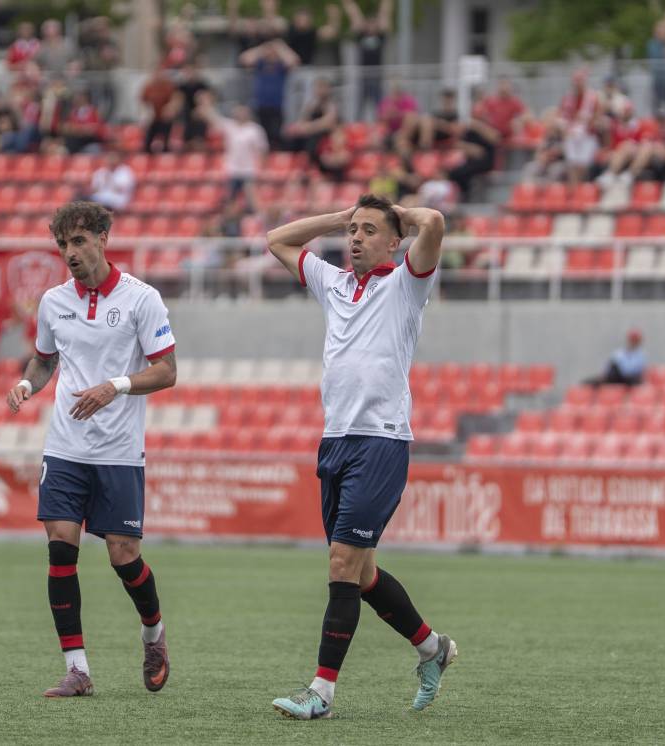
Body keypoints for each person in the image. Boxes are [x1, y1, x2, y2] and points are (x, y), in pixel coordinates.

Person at [264, 194, 456, 719]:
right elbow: (276, 240)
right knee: (362, 573)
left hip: (381, 441)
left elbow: (434, 221)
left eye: (369, 231)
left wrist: (396, 211)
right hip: (335, 441)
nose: (355, 238)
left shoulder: (406, 285)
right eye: (353, 231)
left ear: (394, 241)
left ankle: (321, 693)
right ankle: (431, 647)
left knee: (342, 565)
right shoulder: (334, 283)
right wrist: (338, 217)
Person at [5, 201, 177, 699]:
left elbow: (167, 371)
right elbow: (43, 362)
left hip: (119, 452)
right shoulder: (54, 301)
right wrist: (25, 384)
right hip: (64, 448)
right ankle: (77, 669)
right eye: (63, 245)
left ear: (103, 237)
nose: (70, 253)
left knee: (124, 557)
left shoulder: (143, 298)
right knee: (61, 549)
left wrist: (116, 386)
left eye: (79, 241)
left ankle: (153, 634)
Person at [198, 94, 269, 201]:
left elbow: (263, 149)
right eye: (238, 111)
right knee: (229, 199)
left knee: (251, 201)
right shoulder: (230, 126)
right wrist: (206, 105)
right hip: (232, 170)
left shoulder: (255, 129)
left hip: (249, 170)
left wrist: (261, 167)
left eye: (243, 111)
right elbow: (213, 118)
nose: (241, 114)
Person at [239, 38, 300, 151]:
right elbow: (244, 59)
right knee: (262, 135)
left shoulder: (281, 66)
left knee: (277, 134)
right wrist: (262, 48)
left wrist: (280, 47)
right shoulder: (260, 64)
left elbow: (294, 60)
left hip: (277, 105)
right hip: (261, 105)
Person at [343, 0, 393, 120]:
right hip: (363, 75)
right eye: (369, 24)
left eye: (373, 24)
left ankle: (380, 124)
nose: (371, 26)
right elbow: (355, 17)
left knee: (378, 104)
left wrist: (386, 3)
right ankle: (357, 124)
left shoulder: (380, 37)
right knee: (360, 104)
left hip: (376, 75)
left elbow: (385, 15)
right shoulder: (361, 36)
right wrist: (349, 4)